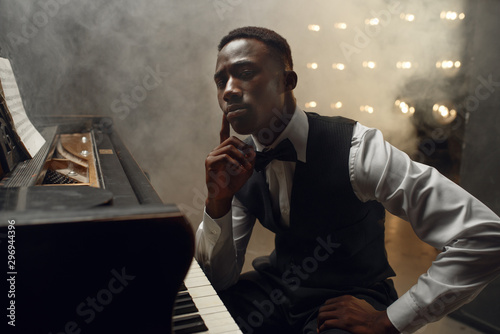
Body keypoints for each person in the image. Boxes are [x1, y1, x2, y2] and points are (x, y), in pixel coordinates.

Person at [195, 26, 500, 334]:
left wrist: (391, 319)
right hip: (275, 290)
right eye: (221, 80)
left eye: (245, 72)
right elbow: (219, 279)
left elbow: (483, 236)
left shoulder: (357, 148)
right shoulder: (237, 163)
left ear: (288, 81)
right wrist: (217, 199)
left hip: (349, 296)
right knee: (197, 311)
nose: (229, 90)